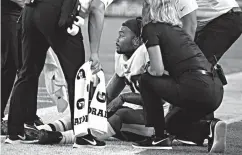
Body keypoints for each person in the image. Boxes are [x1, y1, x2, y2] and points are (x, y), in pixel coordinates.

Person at [21, 18, 164, 145]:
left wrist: (123, 98)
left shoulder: (148, 55)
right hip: (140, 119)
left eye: (122, 35)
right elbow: (108, 96)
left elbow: (161, 99)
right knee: (94, 108)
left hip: (159, 120)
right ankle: (46, 129)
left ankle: (60, 137)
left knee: (121, 113)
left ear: (137, 41)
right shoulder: (124, 58)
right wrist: (93, 103)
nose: (117, 40)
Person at [5, 0, 113, 146]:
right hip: (57, 10)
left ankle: (14, 132)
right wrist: (94, 52)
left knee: (27, 72)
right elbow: (96, 7)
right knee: (77, 75)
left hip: (30, 11)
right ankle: (82, 135)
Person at [132, 0, 225, 153]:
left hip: (195, 89)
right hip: (215, 90)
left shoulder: (151, 28)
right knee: (172, 125)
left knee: (145, 80)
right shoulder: (179, 31)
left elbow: (157, 70)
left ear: (150, 9)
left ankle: (159, 137)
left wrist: (147, 67)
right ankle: (211, 127)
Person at [1, 0, 44, 135]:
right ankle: (26, 118)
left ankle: (29, 116)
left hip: (26, 12)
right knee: (14, 66)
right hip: (12, 11)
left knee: (28, 64)